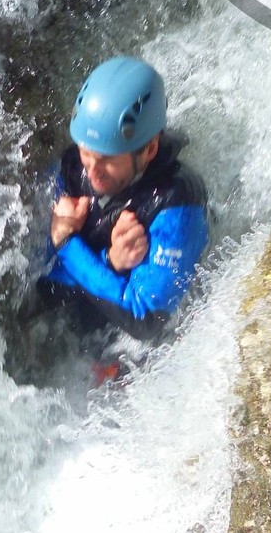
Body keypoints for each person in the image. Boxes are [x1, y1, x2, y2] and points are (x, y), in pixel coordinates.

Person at [41, 56, 209, 341]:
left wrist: (66, 243)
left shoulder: (176, 204)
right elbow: (42, 281)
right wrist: (109, 261)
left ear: (149, 149)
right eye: (87, 152)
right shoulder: (73, 166)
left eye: (106, 159)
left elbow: (145, 318)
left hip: (138, 346)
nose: (92, 171)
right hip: (80, 317)